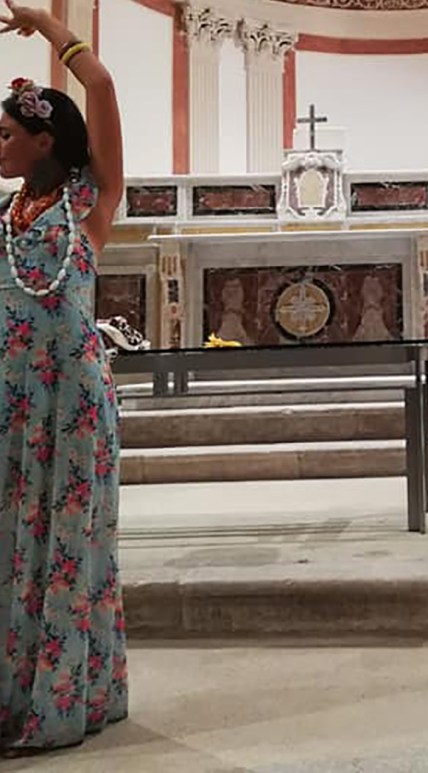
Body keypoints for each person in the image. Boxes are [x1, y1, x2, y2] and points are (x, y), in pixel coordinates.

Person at [0, 0, 127, 753]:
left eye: (6, 134)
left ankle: (57, 705)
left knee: (68, 546)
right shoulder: (4, 215)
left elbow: (101, 87)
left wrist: (46, 26)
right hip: (9, 400)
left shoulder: (89, 202)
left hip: (72, 402)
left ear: (44, 139)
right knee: (12, 545)